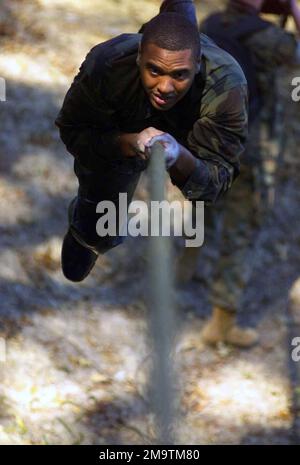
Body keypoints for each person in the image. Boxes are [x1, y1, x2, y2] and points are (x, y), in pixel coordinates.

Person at [55, 0, 248, 284]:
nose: (165, 87)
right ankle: (86, 233)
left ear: (196, 66)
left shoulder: (225, 86)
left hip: (191, 124)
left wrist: (178, 155)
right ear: (138, 59)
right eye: (155, 70)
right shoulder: (109, 63)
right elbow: (74, 132)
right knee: (97, 234)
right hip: (125, 121)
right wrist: (129, 143)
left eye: (179, 74)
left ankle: (179, 11)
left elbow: (216, 182)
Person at [177, 0, 300, 348]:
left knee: (204, 204)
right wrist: (292, 10)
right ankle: (222, 322)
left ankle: (182, 270)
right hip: (249, 148)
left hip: (207, 139)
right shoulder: (269, 39)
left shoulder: (210, 23)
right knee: (242, 227)